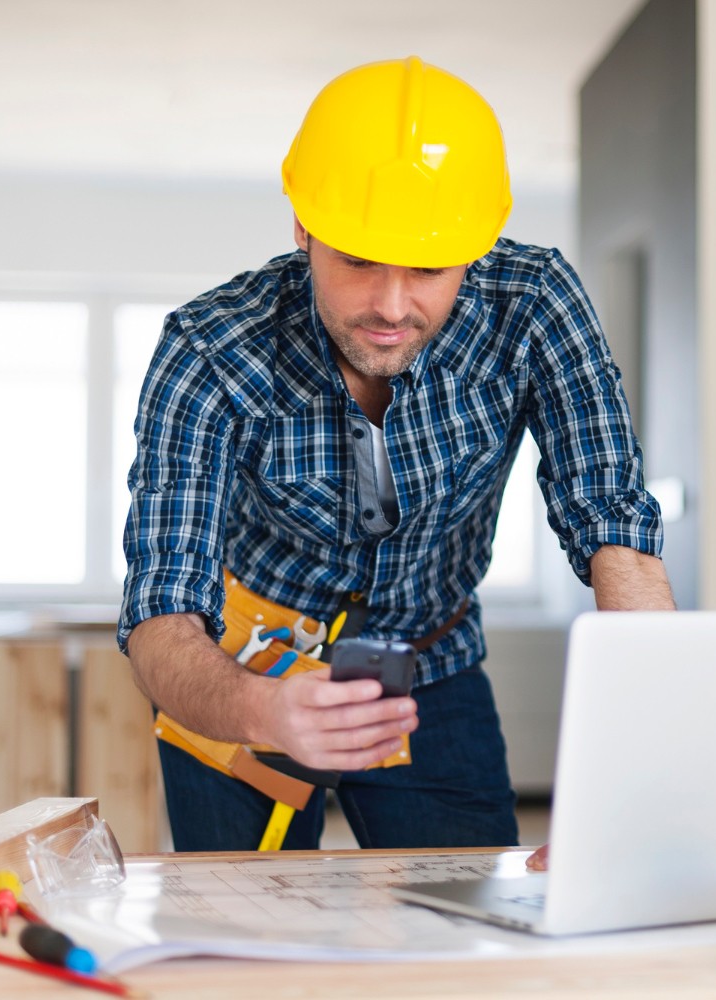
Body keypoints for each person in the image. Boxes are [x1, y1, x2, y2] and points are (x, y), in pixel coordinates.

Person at [118, 56, 674, 859]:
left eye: (427, 269)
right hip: (244, 664)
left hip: (431, 661)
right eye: (357, 259)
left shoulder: (534, 304)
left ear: (476, 247)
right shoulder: (210, 347)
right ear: (303, 226)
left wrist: (645, 766)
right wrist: (258, 708)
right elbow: (160, 611)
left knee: (470, 912)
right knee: (237, 918)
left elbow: (612, 520)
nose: (389, 305)